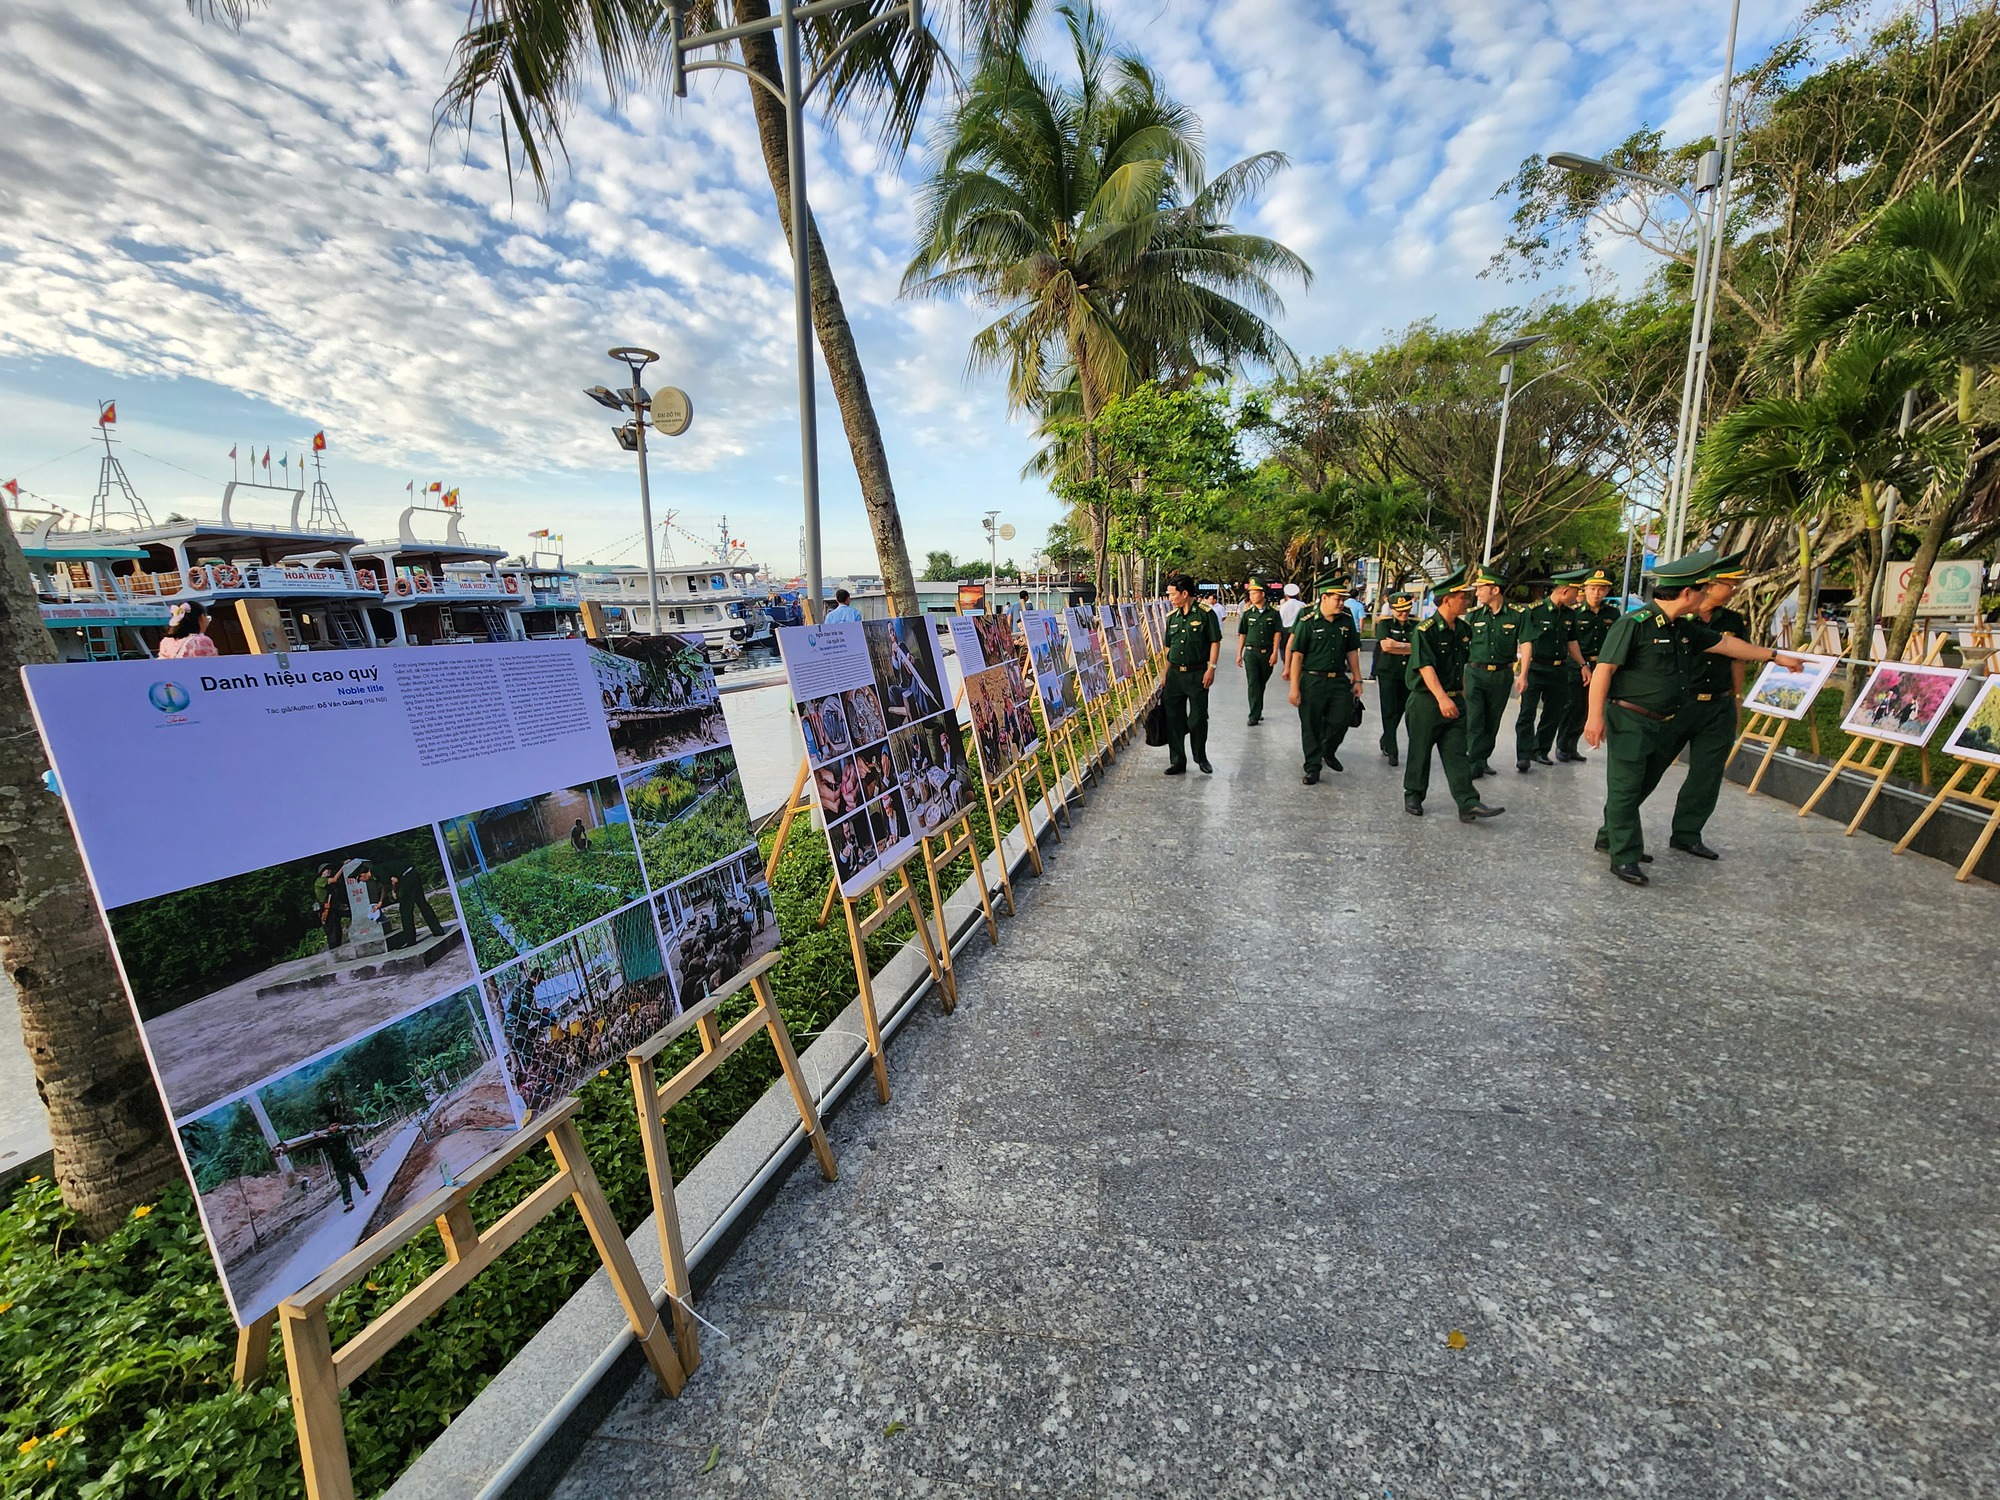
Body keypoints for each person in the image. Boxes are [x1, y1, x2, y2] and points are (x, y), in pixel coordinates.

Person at [1585, 550, 1806, 885]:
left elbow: (1728, 647)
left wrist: (1776, 656)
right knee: (1626, 787)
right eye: (1701, 590)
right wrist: (1594, 718)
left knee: (1644, 782)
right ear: (1686, 594)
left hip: (1663, 720)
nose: (1705, 595)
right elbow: (1604, 671)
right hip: (1629, 719)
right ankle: (1624, 856)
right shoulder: (1634, 624)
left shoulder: (1681, 629)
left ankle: (1611, 837)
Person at [1665, 552, 1752, 860]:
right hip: (1677, 704)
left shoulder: (1732, 621)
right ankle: (1615, 830)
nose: (1735, 589)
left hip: (1717, 706)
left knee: (1707, 773)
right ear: (1711, 585)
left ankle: (1687, 834)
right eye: (1731, 584)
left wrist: (1737, 699)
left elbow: (1738, 661)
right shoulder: (1677, 616)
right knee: (1646, 768)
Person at [1403, 570, 1504, 823]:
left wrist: (1459, 696)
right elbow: (1426, 668)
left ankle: (1468, 802)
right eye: (1462, 597)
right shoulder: (1425, 630)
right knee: (1420, 750)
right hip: (1427, 701)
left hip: (1454, 699)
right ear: (1448, 599)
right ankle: (1414, 794)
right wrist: (1442, 699)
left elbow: (1462, 666)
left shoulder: (1463, 629)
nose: (1467, 602)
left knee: (1458, 752)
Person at [1285, 575, 1364, 784]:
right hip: (1312, 680)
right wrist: (1294, 687)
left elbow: (1352, 652)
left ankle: (1328, 750)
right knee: (1310, 725)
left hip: (1338, 680)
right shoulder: (1307, 621)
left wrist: (1357, 679)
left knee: (1342, 719)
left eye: (1342, 599)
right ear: (1324, 598)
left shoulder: (1346, 620)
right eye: (1337, 599)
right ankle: (1312, 766)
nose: (1341, 603)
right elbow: (1297, 655)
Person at [1515, 573, 1586, 770]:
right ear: (1564, 591)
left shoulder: (1570, 614)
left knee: (1553, 713)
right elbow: (1526, 642)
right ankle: (1523, 754)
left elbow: (1572, 642)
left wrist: (1583, 664)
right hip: (1536, 668)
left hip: (1558, 669)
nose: (1577, 596)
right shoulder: (1533, 611)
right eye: (1575, 592)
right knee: (1527, 713)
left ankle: (1540, 750)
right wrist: (1523, 673)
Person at [1463, 568, 1525, 779]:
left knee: (1493, 720)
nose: (1477, 593)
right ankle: (1472, 761)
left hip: (1501, 674)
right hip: (1475, 673)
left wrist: (1523, 674)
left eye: (1481, 588)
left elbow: (1526, 643)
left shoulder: (1517, 615)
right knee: (1475, 719)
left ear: (1495, 589)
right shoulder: (1473, 615)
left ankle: (1482, 758)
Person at [1161, 572, 1222, 775]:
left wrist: (1211, 668)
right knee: (1174, 719)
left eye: (1172, 594)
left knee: (1198, 718)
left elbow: (1215, 641)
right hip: (1175, 676)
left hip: (1197, 675)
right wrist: (1164, 675)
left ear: (1184, 593)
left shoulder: (1206, 614)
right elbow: (1168, 649)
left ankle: (1200, 756)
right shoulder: (1172, 618)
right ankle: (1178, 761)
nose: (1169, 598)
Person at [1560, 567, 1621, 761]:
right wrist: (1582, 665)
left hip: (1601, 666)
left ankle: (1572, 746)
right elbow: (1569, 642)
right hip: (1577, 665)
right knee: (1573, 706)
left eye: (1601, 590)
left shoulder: (1613, 613)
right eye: (1593, 588)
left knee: (1589, 708)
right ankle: (1563, 746)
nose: (1596, 593)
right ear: (1584, 589)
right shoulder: (1574, 613)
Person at [1373, 593, 1416, 766]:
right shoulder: (1384, 624)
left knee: (1401, 708)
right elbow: (1385, 646)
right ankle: (1392, 749)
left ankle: (1386, 738)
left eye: (1406, 609)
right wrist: (1408, 647)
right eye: (1399, 610)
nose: (1403, 613)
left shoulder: (1417, 625)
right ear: (1392, 609)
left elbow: (1419, 647)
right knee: (1389, 710)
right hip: (1388, 673)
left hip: (1407, 673)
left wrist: (1398, 646)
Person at [1235, 578, 1284, 726]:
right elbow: (1242, 633)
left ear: (1262, 594)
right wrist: (1239, 653)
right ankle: (1254, 715)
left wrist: (1275, 653)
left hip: (1267, 652)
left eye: (1254, 593)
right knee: (1253, 683)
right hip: (1251, 653)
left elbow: (1277, 633)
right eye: (1250, 593)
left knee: (1261, 683)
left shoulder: (1274, 613)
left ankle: (1258, 710)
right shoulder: (1248, 613)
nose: (1251, 596)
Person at [388, 864, 447, 947]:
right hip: (413, 874)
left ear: (363, 874)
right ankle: (437, 930)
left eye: (362, 879)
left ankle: (410, 939)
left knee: (405, 910)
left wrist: (394, 891)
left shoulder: (378, 871)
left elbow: (394, 880)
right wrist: (380, 902)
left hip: (407, 879)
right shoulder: (384, 868)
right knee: (422, 904)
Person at [314, 862, 349, 952]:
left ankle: (339, 952)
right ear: (322, 872)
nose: (329, 871)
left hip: (333, 910)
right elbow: (334, 879)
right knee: (332, 934)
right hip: (326, 911)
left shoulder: (329, 885)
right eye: (327, 869)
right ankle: (335, 953)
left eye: (330, 869)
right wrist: (343, 867)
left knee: (337, 932)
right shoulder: (320, 880)